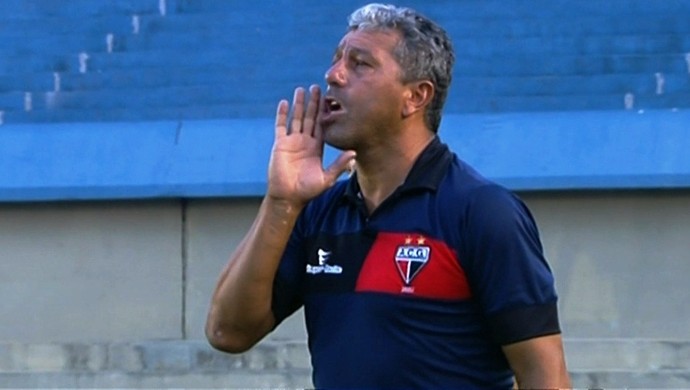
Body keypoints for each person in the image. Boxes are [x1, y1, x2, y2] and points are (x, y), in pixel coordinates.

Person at [206, 3, 571, 388]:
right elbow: (228, 333)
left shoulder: (480, 212)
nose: (333, 75)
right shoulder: (317, 214)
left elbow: (546, 379)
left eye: (360, 63)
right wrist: (281, 201)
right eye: (336, 60)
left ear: (415, 97)